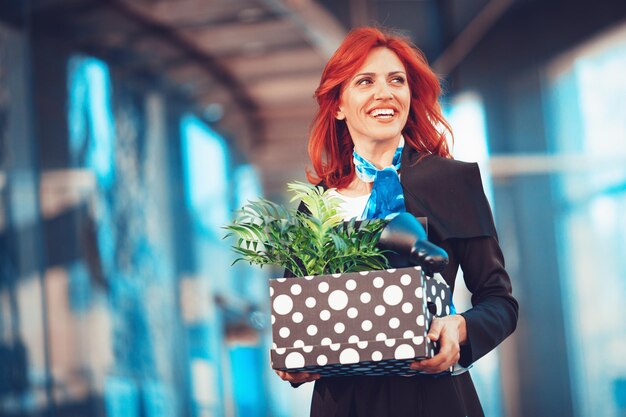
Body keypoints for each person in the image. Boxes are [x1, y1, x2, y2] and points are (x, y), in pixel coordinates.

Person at [275, 27, 518, 417]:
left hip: (434, 399)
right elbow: (298, 317)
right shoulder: (316, 207)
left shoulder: (452, 182)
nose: (384, 93)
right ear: (338, 104)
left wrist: (459, 328)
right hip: (344, 405)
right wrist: (294, 360)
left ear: (410, 95)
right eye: (365, 81)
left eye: (396, 80)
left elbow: (499, 301)